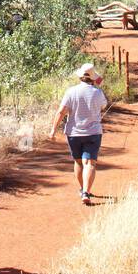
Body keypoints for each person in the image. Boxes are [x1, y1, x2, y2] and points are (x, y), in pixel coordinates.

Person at [49, 62, 107, 204]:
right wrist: (96, 83)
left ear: (80, 76)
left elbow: (61, 111)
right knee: (90, 163)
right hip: (93, 133)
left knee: (79, 162)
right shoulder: (98, 92)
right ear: (92, 77)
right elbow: (103, 106)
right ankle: (86, 192)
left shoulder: (71, 91)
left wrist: (53, 131)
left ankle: (82, 190)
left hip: (74, 133)